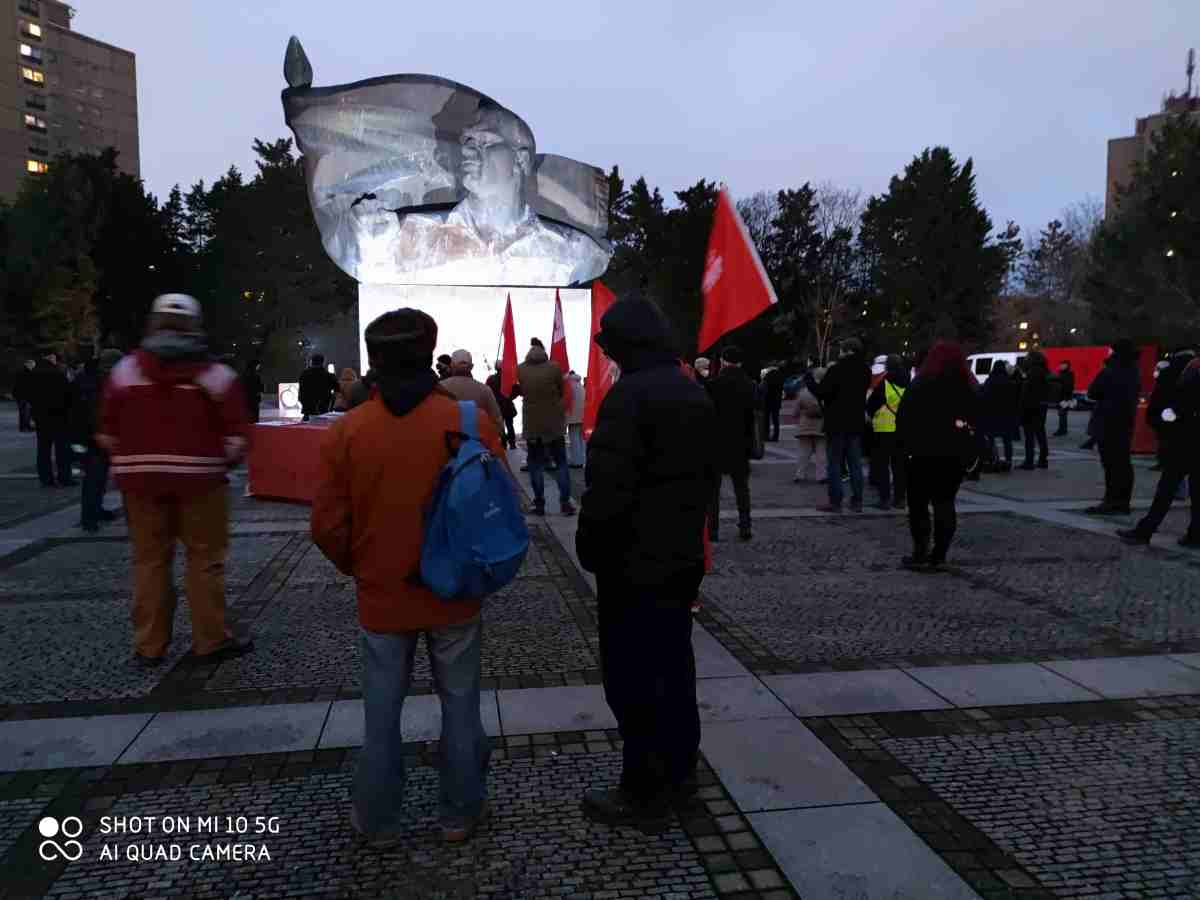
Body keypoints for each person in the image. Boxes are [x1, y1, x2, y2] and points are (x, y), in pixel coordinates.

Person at [312, 308, 503, 847]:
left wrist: (362, 566)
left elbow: (326, 525)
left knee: (381, 712)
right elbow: (497, 508)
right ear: (431, 353)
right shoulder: (470, 423)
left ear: (374, 361)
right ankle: (459, 814)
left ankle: (378, 820)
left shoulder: (348, 430)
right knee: (461, 705)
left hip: (383, 596)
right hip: (456, 594)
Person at [575, 297, 717, 825]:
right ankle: (680, 778)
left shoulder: (629, 397)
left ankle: (643, 789)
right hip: (679, 556)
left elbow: (609, 490)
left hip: (633, 564)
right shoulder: (690, 390)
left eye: (608, 345)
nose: (606, 353)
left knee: (633, 680)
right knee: (675, 673)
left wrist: (591, 547)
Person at [97, 294, 252, 666]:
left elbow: (105, 432)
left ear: (153, 323)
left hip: (141, 483)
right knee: (205, 561)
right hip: (201, 482)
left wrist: (130, 460)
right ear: (196, 327)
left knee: (149, 562)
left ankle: (149, 645)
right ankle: (210, 640)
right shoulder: (217, 376)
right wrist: (220, 460)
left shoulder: (124, 372)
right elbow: (236, 438)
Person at [338, 103, 610, 287]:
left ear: (521, 160)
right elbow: (376, 284)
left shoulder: (572, 251)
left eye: (485, 142)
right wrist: (372, 248)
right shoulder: (407, 237)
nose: (468, 150)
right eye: (467, 141)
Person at [896, 342, 978, 571]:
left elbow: (904, 418)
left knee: (918, 505)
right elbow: (977, 418)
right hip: (954, 455)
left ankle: (920, 551)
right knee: (945, 504)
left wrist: (904, 447)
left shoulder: (922, 383)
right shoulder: (967, 385)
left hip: (921, 454)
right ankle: (939, 554)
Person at [1118, 352, 1200, 547]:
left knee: (1165, 491)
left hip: (1182, 444)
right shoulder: (1190, 371)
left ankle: (1145, 530)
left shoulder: (1185, 375)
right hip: (1191, 442)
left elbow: (1170, 409)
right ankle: (1194, 535)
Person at [809, 338, 870, 512]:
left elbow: (822, 393)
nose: (839, 352)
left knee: (834, 463)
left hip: (836, 422)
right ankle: (857, 501)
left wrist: (810, 379)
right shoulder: (865, 370)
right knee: (855, 463)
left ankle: (835, 501)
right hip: (856, 422)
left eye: (842, 349)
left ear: (849, 351)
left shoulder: (837, 369)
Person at [1083, 339, 1141, 516]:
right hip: (1124, 423)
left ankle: (1110, 502)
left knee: (1110, 466)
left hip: (1107, 423)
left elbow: (1092, 392)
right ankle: (1123, 502)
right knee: (1123, 464)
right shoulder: (1133, 371)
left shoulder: (1110, 371)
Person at [518, 338, 574, 515]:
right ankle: (565, 503)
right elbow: (560, 389)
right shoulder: (555, 367)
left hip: (532, 424)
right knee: (561, 464)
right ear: (544, 351)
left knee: (535, 465)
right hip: (554, 423)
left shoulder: (520, 369)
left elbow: (521, 390)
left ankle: (539, 504)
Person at [707, 346, 756, 541]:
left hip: (717, 441)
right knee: (742, 488)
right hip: (741, 442)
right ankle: (745, 526)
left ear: (723, 362)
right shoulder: (749, 384)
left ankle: (713, 529)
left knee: (713, 490)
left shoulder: (715, 384)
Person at [71, 351, 122, 532]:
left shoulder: (88, 378)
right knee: (93, 477)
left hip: (92, 435)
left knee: (97, 477)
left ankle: (95, 510)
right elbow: (92, 411)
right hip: (92, 437)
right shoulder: (95, 381)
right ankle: (89, 517)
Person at [865, 354, 909, 509]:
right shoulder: (909, 381)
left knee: (882, 465)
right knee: (900, 466)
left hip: (884, 428)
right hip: (903, 429)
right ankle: (900, 499)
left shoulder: (885, 382)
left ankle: (884, 499)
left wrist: (871, 416)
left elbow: (871, 404)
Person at [29, 350, 74, 488]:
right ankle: (64, 477)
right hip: (59, 416)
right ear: (51, 358)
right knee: (62, 449)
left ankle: (46, 478)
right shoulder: (58, 374)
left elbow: (28, 394)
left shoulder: (34, 375)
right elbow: (68, 395)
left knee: (43, 448)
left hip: (41, 417)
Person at [441, 350, 504, 431]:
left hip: (446, 440)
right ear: (471, 367)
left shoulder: (441, 387)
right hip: (477, 440)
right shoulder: (484, 390)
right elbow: (498, 423)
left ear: (451, 366)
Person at [980, 361, 1019, 473]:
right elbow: (1014, 399)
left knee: (991, 439)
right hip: (1006, 415)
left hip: (992, 414)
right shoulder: (1009, 382)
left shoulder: (990, 381)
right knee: (1007, 440)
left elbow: (984, 396)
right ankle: (1008, 461)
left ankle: (992, 460)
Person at [792, 367, 826, 483]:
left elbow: (795, 412)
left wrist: (801, 413)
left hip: (805, 425)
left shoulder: (803, 392)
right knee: (821, 454)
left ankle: (800, 474)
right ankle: (821, 476)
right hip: (821, 426)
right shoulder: (827, 391)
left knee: (803, 453)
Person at [1018, 351, 1051, 470]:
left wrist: (1021, 409)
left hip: (1031, 408)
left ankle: (1029, 461)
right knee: (1041, 433)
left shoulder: (1032, 373)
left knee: (1029, 436)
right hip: (1041, 407)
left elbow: (1026, 394)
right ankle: (1043, 459)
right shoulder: (1045, 371)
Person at [485, 363, 519, 450]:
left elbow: (487, 391)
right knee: (510, 425)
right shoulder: (509, 378)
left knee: (501, 426)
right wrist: (510, 397)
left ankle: (503, 444)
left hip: (497, 405)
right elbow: (516, 390)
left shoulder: (491, 379)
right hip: (507, 405)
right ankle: (512, 444)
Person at [299, 354, 338, 419]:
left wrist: (303, 401)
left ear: (311, 362)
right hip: (323, 409)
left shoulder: (304, 374)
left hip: (308, 409)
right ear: (323, 362)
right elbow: (337, 390)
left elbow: (301, 391)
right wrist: (331, 403)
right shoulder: (329, 376)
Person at [565, 370, 586, 467]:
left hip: (572, 416)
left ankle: (576, 462)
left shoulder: (569, 386)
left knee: (574, 440)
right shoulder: (581, 386)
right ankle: (582, 459)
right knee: (581, 439)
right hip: (582, 416)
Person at [763, 366, 785, 441]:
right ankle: (776, 436)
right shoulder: (780, 377)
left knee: (766, 420)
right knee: (775, 419)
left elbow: (764, 388)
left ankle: (766, 435)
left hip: (768, 400)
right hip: (777, 400)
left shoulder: (767, 377)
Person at [1053, 361, 1076, 436]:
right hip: (1061, 397)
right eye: (1061, 365)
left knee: (1062, 414)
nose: (1061, 366)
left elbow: (1068, 386)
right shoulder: (1061, 374)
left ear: (1067, 366)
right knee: (1062, 414)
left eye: (1063, 365)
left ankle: (1062, 430)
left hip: (1064, 397)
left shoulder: (1068, 374)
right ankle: (1063, 429)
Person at [14, 359, 35, 432]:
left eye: (33, 365)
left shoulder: (25, 372)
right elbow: (25, 386)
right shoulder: (26, 373)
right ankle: (24, 427)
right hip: (23, 396)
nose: (33, 366)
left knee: (26, 412)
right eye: (32, 365)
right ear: (27, 365)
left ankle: (26, 426)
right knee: (24, 412)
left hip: (23, 395)